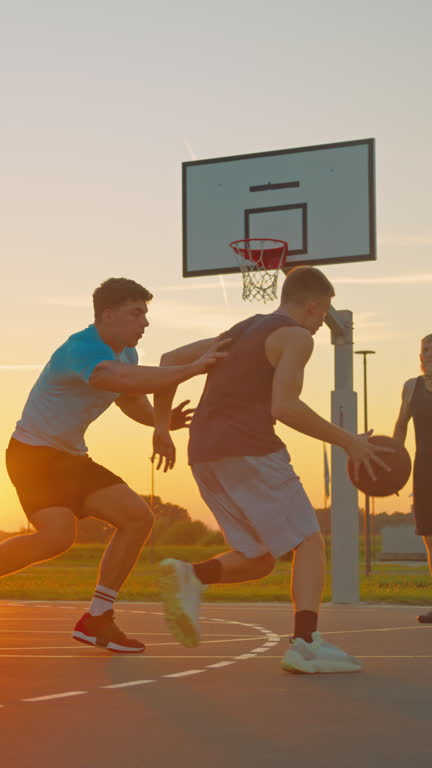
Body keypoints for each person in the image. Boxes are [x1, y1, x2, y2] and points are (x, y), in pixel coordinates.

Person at [153, 266, 391, 674]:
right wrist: (349, 440)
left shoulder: (241, 330)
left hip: (205, 454)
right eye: (322, 315)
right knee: (310, 542)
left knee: (259, 558)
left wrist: (161, 427)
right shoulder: (296, 337)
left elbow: (169, 360)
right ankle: (305, 644)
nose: (319, 326)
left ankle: (190, 575)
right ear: (314, 306)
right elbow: (284, 406)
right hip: (251, 449)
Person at [4, 277, 228, 653]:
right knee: (57, 538)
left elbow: (128, 398)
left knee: (138, 518)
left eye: (145, 314)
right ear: (108, 315)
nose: (145, 322)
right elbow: (120, 379)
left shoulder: (127, 354)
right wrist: (195, 367)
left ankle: (98, 618)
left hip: (71, 457)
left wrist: (162, 424)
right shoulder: (83, 349)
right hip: (34, 456)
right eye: (136, 313)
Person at [393, 333, 432, 623]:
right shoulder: (411, 387)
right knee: (430, 539)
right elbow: (401, 426)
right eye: (425, 350)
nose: (428, 354)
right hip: (424, 471)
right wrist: (393, 467)